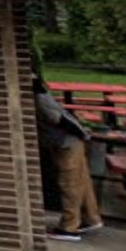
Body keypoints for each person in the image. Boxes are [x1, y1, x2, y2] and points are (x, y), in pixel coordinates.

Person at [34, 76, 102, 240]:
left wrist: (82, 133)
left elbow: (59, 119)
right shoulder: (43, 96)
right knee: (82, 182)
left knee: (69, 183)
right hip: (71, 142)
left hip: (66, 143)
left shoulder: (39, 99)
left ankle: (69, 227)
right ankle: (90, 218)